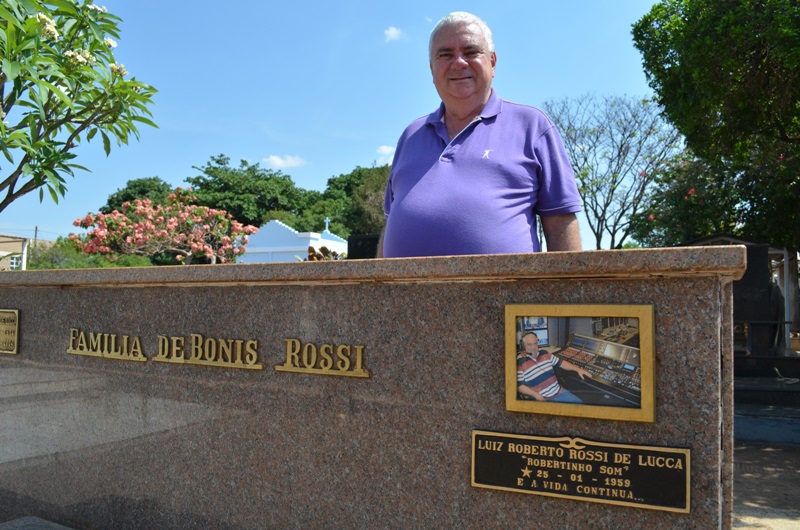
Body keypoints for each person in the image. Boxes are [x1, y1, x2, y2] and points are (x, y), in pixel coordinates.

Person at [379, 11, 582, 258]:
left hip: (507, 284)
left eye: (471, 51)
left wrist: (567, 282)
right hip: (400, 285)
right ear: (432, 68)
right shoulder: (410, 136)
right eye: (445, 55)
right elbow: (391, 223)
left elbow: (561, 222)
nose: (458, 63)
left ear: (492, 62)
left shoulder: (533, 126)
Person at [517, 332, 590, 404]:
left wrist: (578, 369)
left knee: (581, 405)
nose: (533, 347)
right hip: (543, 398)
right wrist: (536, 395)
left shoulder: (545, 353)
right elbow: (520, 386)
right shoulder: (520, 361)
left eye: (535, 343)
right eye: (529, 344)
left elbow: (561, 363)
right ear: (523, 346)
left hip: (560, 392)